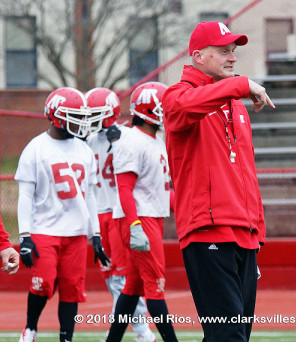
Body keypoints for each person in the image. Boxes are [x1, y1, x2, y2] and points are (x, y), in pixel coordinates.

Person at [161, 21, 275, 341]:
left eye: (233, 52)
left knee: (227, 336)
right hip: (207, 232)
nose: (233, 58)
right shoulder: (177, 96)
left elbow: (247, 174)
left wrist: (257, 228)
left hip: (244, 235)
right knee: (228, 337)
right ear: (198, 56)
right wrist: (240, 85)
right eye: (224, 51)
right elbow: (183, 106)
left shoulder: (236, 106)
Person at [15, 87, 110, 342]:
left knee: (72, 289)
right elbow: (24, 195)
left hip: (77, 233)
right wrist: (24, 235)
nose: (80, 123)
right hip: (45, 229)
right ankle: (30, 328)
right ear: (56, 115)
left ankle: (66, 337)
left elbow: (89, 195)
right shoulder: (35, 148)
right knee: (43, 283)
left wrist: (96, 234)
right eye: (74, 116)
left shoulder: (84, 151)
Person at [105, 82, 177, 342]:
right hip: (137, 219)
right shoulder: (132, 140)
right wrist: (135, 225)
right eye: (164, 107)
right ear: (150, 110)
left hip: (150, 216)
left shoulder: (155, 140)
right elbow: (125, 188)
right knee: (155, 286)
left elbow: (159, 190)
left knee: (133, 287)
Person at [85, 87, 157, 342]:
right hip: (96, 214)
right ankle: (134, 327)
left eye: (95, 114)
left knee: (121, 278)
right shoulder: (87, 140)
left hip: (117, 212)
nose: (90, 119)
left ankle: (142, 332)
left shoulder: (127, 136)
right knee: (110, 277)